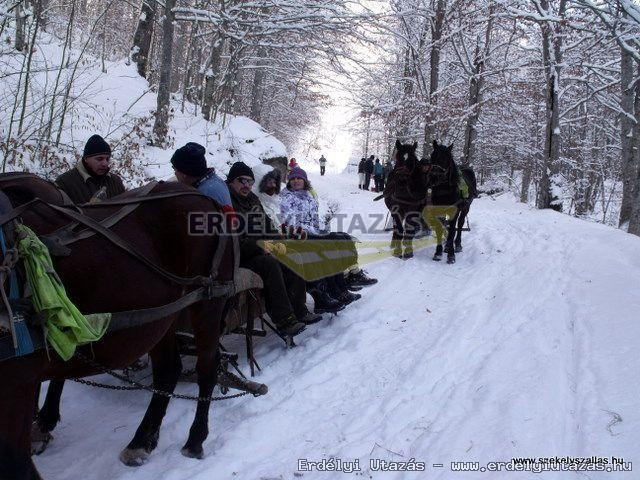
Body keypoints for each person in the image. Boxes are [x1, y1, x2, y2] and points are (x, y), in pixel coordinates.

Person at [226, 162, 320, 335]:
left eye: (250, 181)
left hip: (260, 249)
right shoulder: (227, 202)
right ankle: (284, 321)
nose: (247, 185)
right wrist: (262, 246)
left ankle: (299, 310)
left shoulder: (252, 200)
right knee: (270, 264)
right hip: (239, 255)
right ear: (232, 181)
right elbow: (234, 240)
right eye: (242, 181)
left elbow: (268, 226)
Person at [280, 166, 377, 308]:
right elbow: (292, 223)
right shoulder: (287, 198)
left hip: (312, 232)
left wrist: (322, 228)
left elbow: (314, 220)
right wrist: (317, 232)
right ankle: (334, 291)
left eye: (298, 178)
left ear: (304, 180)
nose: (295, 181)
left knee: (344, 238)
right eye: (292, 179)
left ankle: (351, 278)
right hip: (298, 236)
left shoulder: (309, 196)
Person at [55, 134, 125, 204]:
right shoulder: (65, 182)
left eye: (107, 159)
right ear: (86, 159)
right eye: (99, 159)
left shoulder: (116, 182)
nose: (105, 164)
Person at [171, 142, 234, 213]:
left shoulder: (203, 195)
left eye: (175, 169)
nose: (175, 173)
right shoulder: (214, 181)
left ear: (183, 173)